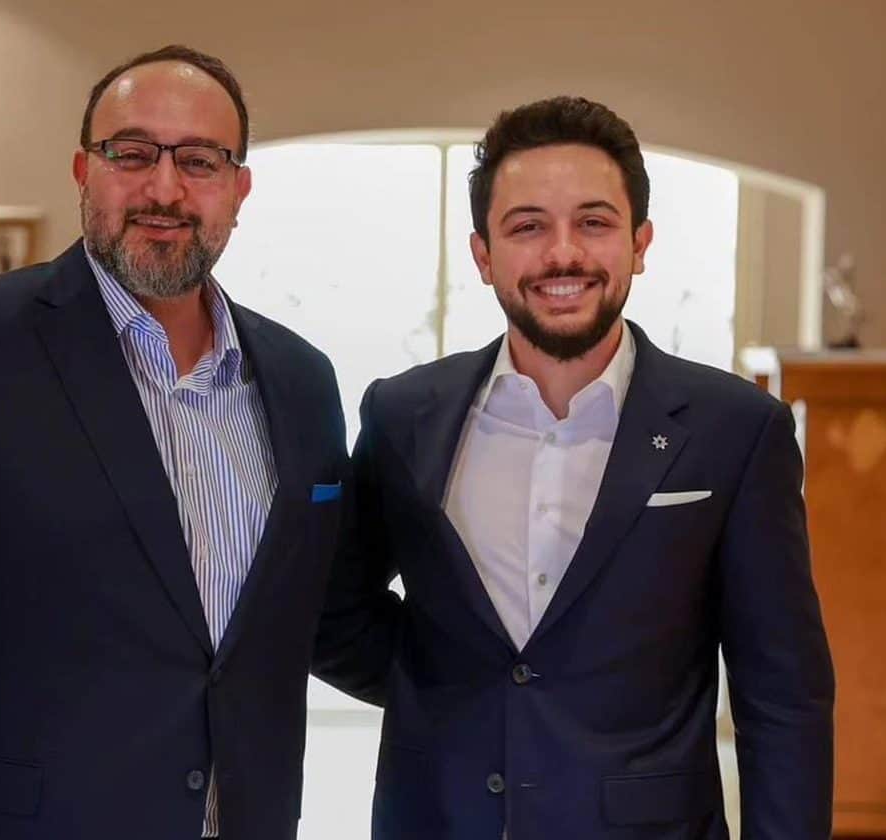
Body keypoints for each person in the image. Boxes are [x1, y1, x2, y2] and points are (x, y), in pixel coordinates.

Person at [0, 44, 347, 840]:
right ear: (83, 170)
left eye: (200, 161)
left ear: (239, 189)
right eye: (132, 153)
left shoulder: (303, 383)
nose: (165, 188)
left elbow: (317, 617)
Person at [314, 96, 834, 839]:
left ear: (640, 242)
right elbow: (334, 613)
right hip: (439, 819)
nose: (563, 254)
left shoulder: (737, 430)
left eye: (594, 222)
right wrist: (450, 693)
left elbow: (783, 693)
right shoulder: (403, 416)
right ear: (484, 255)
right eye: (528, 226)